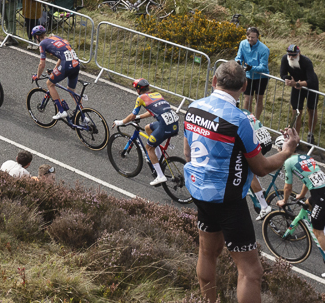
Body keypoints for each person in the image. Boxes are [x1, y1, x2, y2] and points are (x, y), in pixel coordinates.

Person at [184, 61, 300, 303]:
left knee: (208, 252)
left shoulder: (194, 107)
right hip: (228, 201)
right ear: (245, 86)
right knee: (251, 272)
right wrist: (287, 150)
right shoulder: (239, 120)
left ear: (214, 81)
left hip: (199, 191)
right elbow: (261, 167)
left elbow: (188, 154)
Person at [113, 78, 180, 186]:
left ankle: (160, 176)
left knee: (149, 147)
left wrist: (120, 122)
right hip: (174, 123)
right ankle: (157, 156)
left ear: (139, 89)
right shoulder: (157, 94)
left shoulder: (140, 98)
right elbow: (151, 112)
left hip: (165, 126)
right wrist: (140, 117)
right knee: (148, 128)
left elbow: (132, 116)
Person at [277, 152, 325, 257]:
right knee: (307, 203)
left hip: (320, 197)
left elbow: (288, 188)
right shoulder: (306, 157)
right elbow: (307, 178)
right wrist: (301, 195)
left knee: (317, 230)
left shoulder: (288, 162)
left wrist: (284, 201)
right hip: (320, 193)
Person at [33, 25, 81, 119]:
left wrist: (37, 76)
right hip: (76, 63)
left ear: (37, 37)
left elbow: (42, 64)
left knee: (50, 84)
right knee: (71, 90)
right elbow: (61, 56)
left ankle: (61, 111)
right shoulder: (55, 38)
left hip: (67, 64)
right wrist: (55, 70)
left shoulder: (42, 43)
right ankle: (83, 116)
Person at [280, 44, 318, 137]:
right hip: (296, 85)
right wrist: (288, 80)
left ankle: (310, 134)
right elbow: (283, 74)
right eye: (289, 54)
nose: (291, 57)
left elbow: (311, 80)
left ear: (299, 53)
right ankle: (295, 137)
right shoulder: (285, 59)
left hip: (311, 86)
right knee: (296, 111)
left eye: (294, 55)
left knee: (311, 109)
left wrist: (298, 84)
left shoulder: (306, 61)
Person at [235, 27, 270, 120]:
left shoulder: (264, 49)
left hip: (261, 77)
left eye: (253, 37)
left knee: (258, 99)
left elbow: (263, 67)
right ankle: (247, 119)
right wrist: (238, 61)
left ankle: (256, 121)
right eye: (249, 37)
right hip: (248, 75)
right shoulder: (243, 43)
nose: (250, 39)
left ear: (257, 37)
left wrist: (252, 68)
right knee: (247, 99)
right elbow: (239, 56)